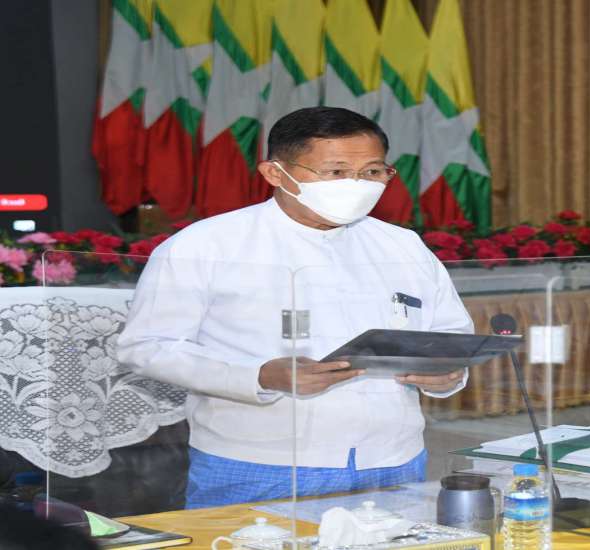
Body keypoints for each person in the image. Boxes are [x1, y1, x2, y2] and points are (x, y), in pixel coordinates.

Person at [117, 107, 474, 508]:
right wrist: (258, 376)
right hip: (259, 462)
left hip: (393, 458)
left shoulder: (402, 246)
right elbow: (146, 347)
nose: (357, 184)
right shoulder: (205, 245)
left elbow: (450, 333)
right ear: (275, 173)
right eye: (336, 172)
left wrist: (446, 372)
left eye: (373, 171)